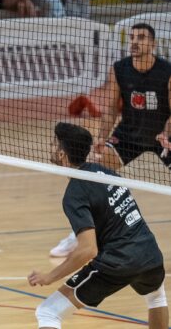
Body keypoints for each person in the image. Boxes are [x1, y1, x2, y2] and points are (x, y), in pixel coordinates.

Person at [29, 122, 168, 329]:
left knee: (48, 312)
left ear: (61, 155)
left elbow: (87, 249)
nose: (51, 146)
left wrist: (50, 276)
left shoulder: (74, 194)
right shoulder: (106, 172)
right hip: (150, 254)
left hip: (117, 263)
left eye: (54, 144)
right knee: (156, 297)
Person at [50, 23, 171, 258]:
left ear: (153, 44)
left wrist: (167, 134)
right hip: (130, 133)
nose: (135, 42)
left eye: (142, 37)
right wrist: (101, 138)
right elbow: (111, 109)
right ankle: (79, 235)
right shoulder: (119, 69)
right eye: (132, 37)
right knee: (92, 176)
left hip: (161, 136)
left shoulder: (167, 71)